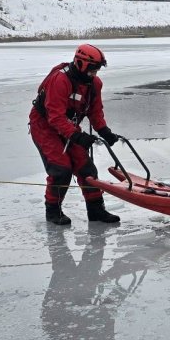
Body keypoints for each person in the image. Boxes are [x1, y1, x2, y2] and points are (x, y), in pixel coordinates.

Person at [30, 43, 123, 226]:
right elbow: (55, 117)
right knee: (61, 170)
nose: (94, 74)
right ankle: (53, 212)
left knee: (86, 168)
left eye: (96, 70)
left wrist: (104, 131)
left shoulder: (94, 84)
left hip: (68, 126)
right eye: (92, 69)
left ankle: (96, 210)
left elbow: (95, 112)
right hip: (44, 127)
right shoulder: (60, 80)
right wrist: (78, 137)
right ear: (80, 64)